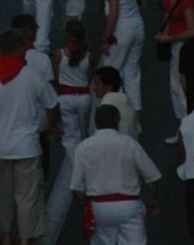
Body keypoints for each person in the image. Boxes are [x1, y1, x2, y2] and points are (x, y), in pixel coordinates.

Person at [0, 28, 59, 245]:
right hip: (27, 147)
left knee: (3, 196)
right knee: (28, 196)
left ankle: (6, 236)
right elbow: (52, 105)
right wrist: (52, 126)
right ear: (20, 49)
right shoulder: (32, 77)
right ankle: (25, 239)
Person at [68, 104, 161, 245]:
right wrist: (153, 199)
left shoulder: (84, 147)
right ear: (118, 121)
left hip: (99, 207)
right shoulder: (130, 144)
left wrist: (85, 205)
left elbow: (77, 189)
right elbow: (152, 178)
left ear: (96, 123)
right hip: (129, 205)